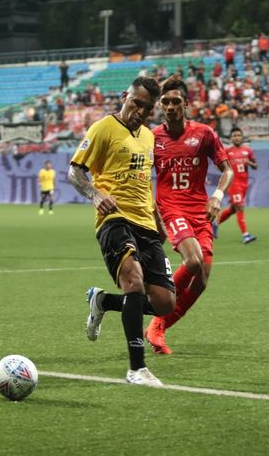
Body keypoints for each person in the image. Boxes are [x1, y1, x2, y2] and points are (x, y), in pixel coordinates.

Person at [68, 76, 175, 387]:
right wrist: (96, 194)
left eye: (146, 108)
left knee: (166, 303)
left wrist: (158, 218)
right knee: (134, 281)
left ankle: (102, 302)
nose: (139, 111)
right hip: (113, 218)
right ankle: (136, 369)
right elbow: (74, 170)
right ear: (126, 96)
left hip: (146, 223)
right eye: (135, 103)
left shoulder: (148, 138)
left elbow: (145, 181)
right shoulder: (103, 128)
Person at [145, 77, 234, 355]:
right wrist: (154, 215)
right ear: (160, 105)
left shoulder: (205, 133)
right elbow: (144, 178)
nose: (170, 107)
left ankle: (160, 326)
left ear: (186, 104)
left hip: (199, 210)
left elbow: (228, 169)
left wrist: (217, 197)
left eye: (175, 102)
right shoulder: (152, 137)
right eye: (165, 102)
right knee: (193, 261)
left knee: (203, 278)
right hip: (171, 208)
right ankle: (157, 312)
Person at [214, 127, 258, 244]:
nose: (237, 137)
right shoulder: (227, 151)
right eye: (234, 135)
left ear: (242, 137)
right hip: (233, 184)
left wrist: (250, 163)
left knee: (233, 209)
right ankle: (245, 235)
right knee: (239, 207)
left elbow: (255, 165)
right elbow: (218, 164)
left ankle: (214, 223)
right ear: (231, 138)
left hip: (244, 184)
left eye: (239, 135)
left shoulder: (248, 151)